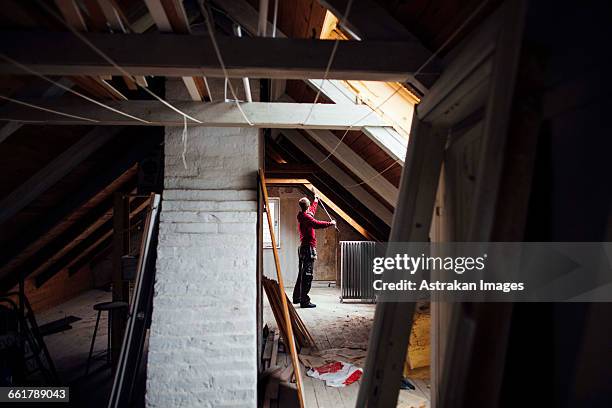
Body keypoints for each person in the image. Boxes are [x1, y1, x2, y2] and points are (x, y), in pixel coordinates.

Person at [293, 194, 336, 308]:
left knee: (302, 274)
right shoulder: (307, 218)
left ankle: (297, 297)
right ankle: (304, 301)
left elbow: (312, 210)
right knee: (307, 275)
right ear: (306, 207)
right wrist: (330, 224)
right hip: (308, 249)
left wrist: (316, 200)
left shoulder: (304, 215)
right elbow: (316, 224)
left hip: (304, 248)